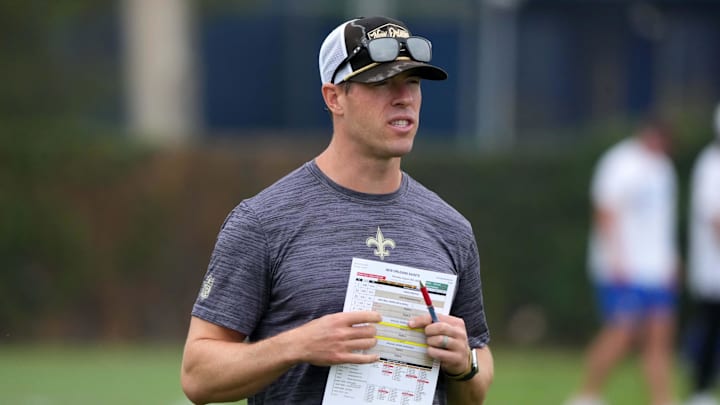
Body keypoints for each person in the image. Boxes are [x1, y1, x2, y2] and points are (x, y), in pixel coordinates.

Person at [180, 16, 493, 405]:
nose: (404, 97)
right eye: (381, 82)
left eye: (412, 81)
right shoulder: (263, 221)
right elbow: (197, 375)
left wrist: (465, 365)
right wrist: (296, 345)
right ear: (334, 98)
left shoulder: (450, 228)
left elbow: (476, 377)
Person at [566, 118, 679, 405]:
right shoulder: (620, 162)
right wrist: (617, 258)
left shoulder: (664, 168)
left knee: (660, 333)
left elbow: (663, 221)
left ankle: (662, 399)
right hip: (624, 267)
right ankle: (587, 394)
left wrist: (672, 258)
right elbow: (605, 211)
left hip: (656, 268)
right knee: (622, 331)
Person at [685, 104, 720, 405]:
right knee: (710, 329)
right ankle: (700, 389)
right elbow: (714, 219)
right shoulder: (711, 165)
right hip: (713, 268)